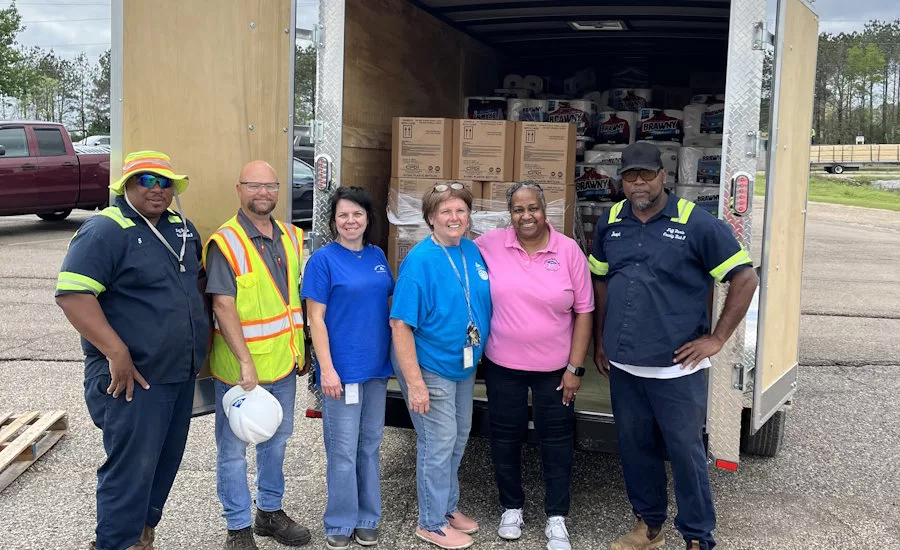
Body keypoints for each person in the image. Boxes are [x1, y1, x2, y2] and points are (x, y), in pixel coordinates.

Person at [589, 142, 758, 550]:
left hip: (676, 370)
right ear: (621, 181)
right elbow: (599, 281)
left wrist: (717, 338)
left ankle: (698, 536)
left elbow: (745, 277)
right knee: (635, 449)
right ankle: (649, 527)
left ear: (664, 176)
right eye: (630, 176)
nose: (639, 183)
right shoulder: (610, 222)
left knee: (685, 455)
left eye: (647, 174)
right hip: (625, 365)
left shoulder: (695, 223)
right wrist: (600, 340)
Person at [55, 150, 209, 550]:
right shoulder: (106, 230)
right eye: (146, 180)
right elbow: (73, 295)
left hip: (177, 373)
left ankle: (141, 535)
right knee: (130, 471)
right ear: (126, 185)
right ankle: (114, 543)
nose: (157, 190)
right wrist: (116, 353)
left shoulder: (183, 229)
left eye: (165, 182)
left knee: (163, 463)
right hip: (133, 377)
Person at [474, 182, 593, 550]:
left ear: (546, 210)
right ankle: (511, 507)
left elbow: (585, 311)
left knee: (556, 442)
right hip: (502, 365)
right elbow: (449, 256)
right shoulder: (490, 244)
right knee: (504, 438)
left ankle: (556, 517)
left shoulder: (569, 250)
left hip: (555, 371)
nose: (526, 216)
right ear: (509, 214)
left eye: (533, 208)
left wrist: (575, 368)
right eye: (518, 210)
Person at [203, 160, 311, 550]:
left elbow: (294, 300)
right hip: (240, 371)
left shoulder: (291, 236)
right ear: (239, 189)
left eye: (270, 186)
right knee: (233, 451)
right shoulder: (226, 242)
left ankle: (269, 512)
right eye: (253, 185)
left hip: (282, 364)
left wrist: (303, 350)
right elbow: (223, 306)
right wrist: (246, 362)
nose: (262, 193)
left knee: (276, 441)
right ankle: (237, 527)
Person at [389, 183, 492, 550]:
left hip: (461, 365)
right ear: (431, 217)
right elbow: (400, 325)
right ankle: (430, 522)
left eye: (460, 211)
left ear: (469, 216)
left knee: (458, 437)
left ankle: (447, 507)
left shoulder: (471, 249)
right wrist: (414, 384)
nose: (454, 218)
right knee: (438, 442)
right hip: (429, 365)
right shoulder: (420, 261)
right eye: (445, 212)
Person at [300, 187, 394, 550]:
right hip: (342, 371)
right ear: (333, 221)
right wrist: (327, 369)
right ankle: (340, 521)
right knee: (342, 450)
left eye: (357, 214)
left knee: (370, 445)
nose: (351, 221)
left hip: (375, 370)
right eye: (343, 215)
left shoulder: (377, 256)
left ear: (368, 219)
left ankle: (368, 517)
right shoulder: (323, 261)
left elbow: (387, 305)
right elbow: (316, 319)